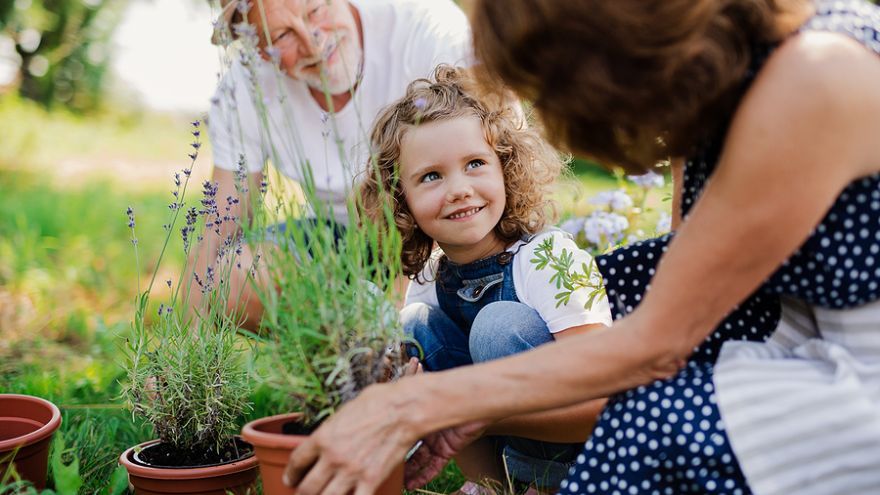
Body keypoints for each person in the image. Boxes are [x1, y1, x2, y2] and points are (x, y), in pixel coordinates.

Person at [283, 0, 880, 494]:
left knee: (647, 429)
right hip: (793, 321)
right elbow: (684, 258)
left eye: (549, 82)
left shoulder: (814, 77)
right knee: (601, 283)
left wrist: (417, 406)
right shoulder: (730, 74)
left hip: (858, 377)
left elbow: (655, 346)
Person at [357, 65, 613, 491]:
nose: (458, 189)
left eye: (475, 163)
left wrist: (471, 408)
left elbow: (603, 401)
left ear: (506, 169)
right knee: (415, 325)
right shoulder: (432, 276)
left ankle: (542, 485)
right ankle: (493, 486)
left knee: (497, 324)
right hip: (495, 420)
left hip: (587, 460)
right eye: (431, 176)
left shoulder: (548, 258)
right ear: (401, 200)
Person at [193, 0, 471, 326]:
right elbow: (220, 224)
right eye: (283, 35)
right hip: (340, 239)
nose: (313, 44)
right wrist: (176, 355)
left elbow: (498, 156)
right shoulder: (243, 86)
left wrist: (403, 293)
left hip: (445, 230)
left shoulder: (425, 28)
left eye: (315, 11)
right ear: (259, 49)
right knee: (236, 276)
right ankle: (346, 350)